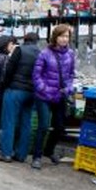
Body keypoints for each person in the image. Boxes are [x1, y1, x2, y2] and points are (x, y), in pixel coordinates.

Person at [31, 24, 75, 169]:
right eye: (61, 36)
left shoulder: (70, 55)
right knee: (43, 126)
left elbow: (71, 75)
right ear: (55, 37)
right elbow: (36, 75)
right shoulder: (44, 54)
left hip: (60, 95)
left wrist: (68, 88)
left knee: (59, 126)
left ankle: (49, 150)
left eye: (67, 36)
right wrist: (44, 89)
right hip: (43, 96)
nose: (64, 39)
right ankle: (36, 156)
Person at [0, 31, 40, 163]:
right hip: (31, 92)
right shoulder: (41, 53)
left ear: (24, 39)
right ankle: (21, 155)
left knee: (9, 121)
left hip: (15, 90)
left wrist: (5, 86)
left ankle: (6, 153)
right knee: (26, 123)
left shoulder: (19, 50)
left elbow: (9, 70)